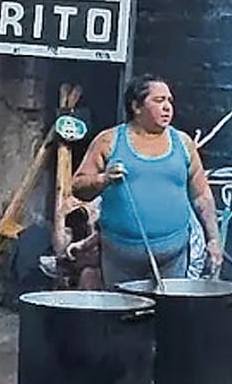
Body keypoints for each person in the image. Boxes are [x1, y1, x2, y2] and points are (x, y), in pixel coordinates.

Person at [72, 75, 222, 287]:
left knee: (168, 314)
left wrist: (214, 240)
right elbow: (78, 187)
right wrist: (103, 180)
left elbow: (201, 196)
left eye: (169, 101)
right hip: (120, 257)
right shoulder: (109, 141)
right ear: (136, 106)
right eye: (159, 101)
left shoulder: (183, 143)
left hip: (173, 256)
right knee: (122, 315)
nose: (167, 107)